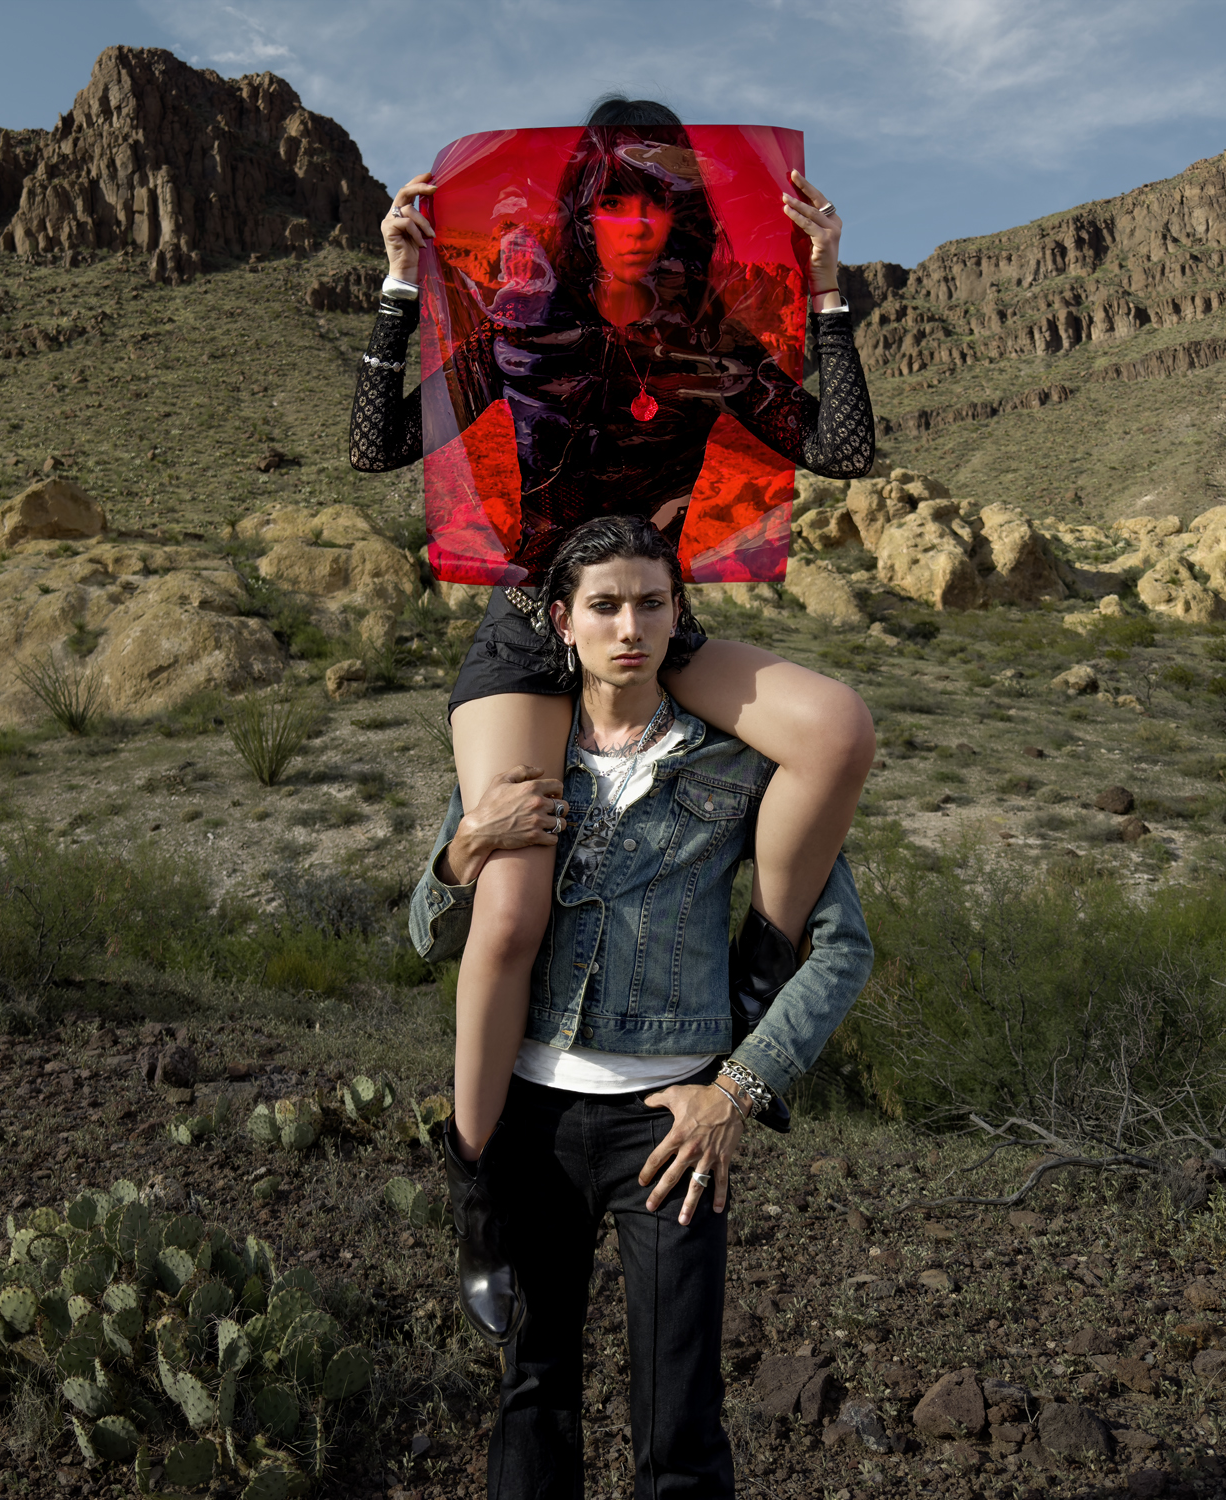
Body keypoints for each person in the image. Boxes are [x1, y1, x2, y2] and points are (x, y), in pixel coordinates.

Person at [351, 97, 877, 1346]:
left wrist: (825, 292)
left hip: (655, 615)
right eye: (615, 201)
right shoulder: (525, 329)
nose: (636, 223)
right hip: (535, 633)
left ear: (683, 216)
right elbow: (380, 444)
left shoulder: (706, 340)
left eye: (658, 202)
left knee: (836, 730)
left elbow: (843, 448)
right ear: (584, 211)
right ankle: (479, 1188)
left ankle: (760, 969)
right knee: (512, 902)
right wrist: (393, 286)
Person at [408, 514, 874, 1498]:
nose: (630, 627)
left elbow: (839, 949)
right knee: (533, 1394)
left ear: (677, 617)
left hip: (669, 1131)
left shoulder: (737, 765)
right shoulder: (518, 759)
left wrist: (734, 1091)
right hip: (528, 1117)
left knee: (679, 1421)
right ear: (562, 623)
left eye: (651, 604)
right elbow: (425, 931)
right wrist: (461, 851)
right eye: (606, 606)